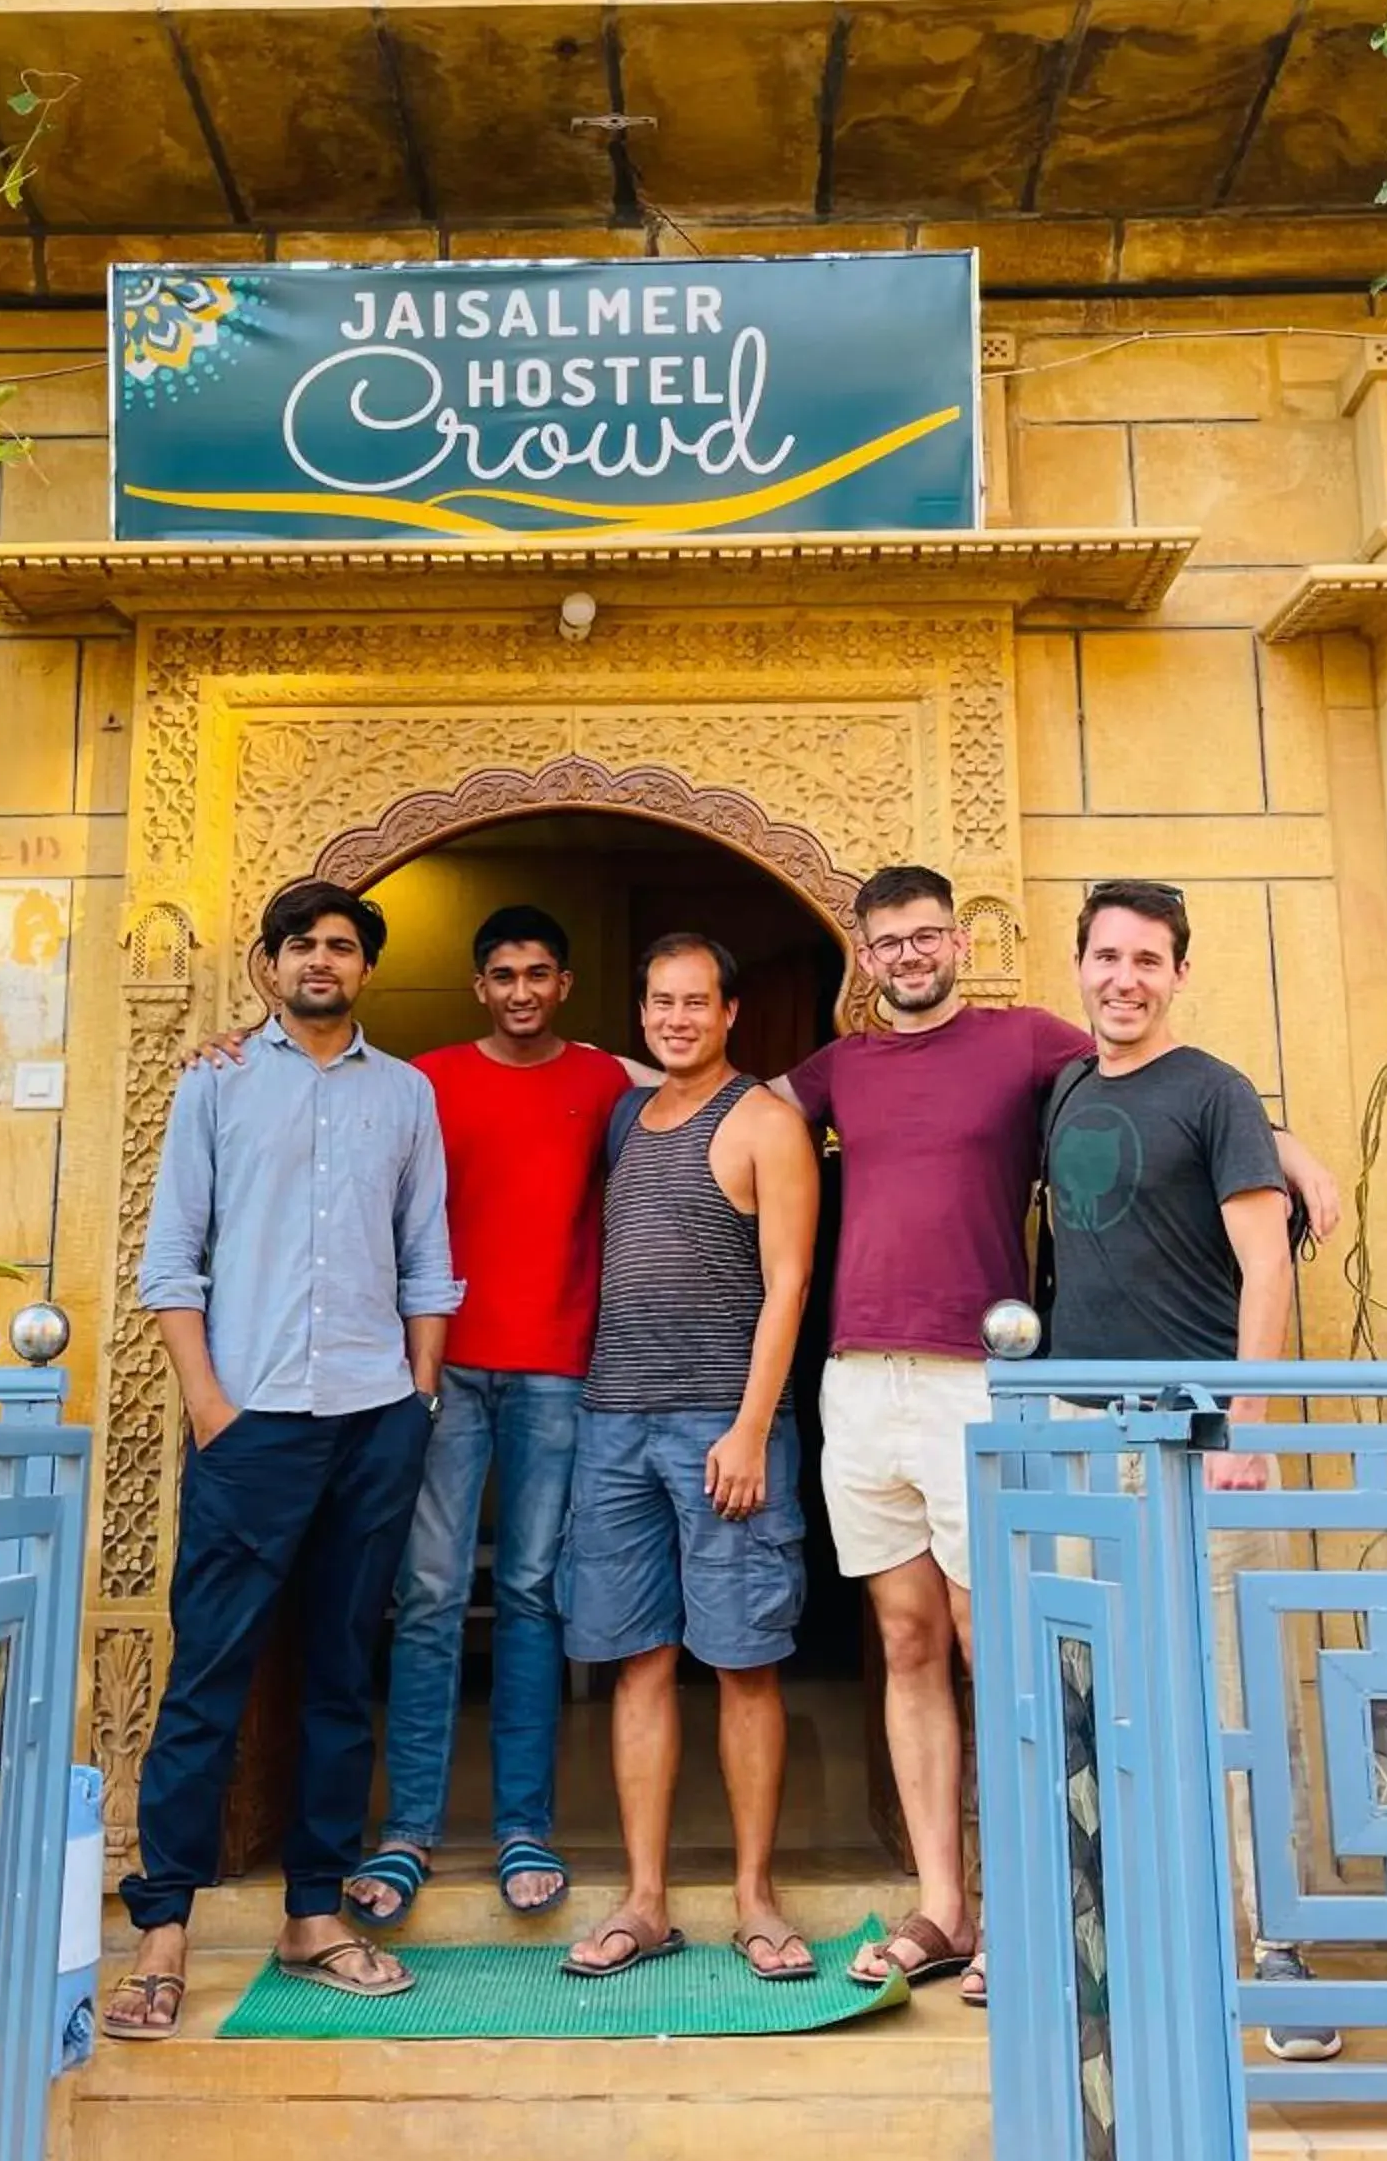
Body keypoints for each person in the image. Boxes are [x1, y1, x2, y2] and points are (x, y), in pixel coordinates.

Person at [776, 864, 1337, 2008]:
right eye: (889, 941)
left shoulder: (1032, 1046)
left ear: (963, 945)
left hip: (1021, 1398)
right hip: (983, 1403)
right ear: (864, 956)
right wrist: (611, 1078)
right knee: (935, 1644)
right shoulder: (849, 1070)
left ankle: (1233, 1948)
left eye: (929, 935)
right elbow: (732, 1105)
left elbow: (1184, 1099)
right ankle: (962, 1908)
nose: (910, 955)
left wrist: (1281, 1145)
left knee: (1066, 1659)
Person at [103, 879, 460, 2033]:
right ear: (267, 966)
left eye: (342, 946)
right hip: (250, 1421)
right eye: (301, 944)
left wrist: (417, 1394)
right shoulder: (214, 1082)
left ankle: (315, 1913)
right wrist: (212, 1406)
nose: (321, 960)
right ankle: (162, 1933)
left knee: (341, 1674)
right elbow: (171, 1259)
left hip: (373, 1418)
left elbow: (427, 1255)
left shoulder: (404, 1097)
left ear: (365, 969)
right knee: (209, 1676)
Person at [1045, 874, 1340, 2062]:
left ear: (1178, 973)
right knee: (1085, 1691)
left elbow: (1266, 1268)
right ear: (1080, 967)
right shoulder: (1063, 1086)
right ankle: (1115, 1948)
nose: (1124, 979)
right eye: (1106, 957)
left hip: (1201, 1441)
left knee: (1234, 1699)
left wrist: (1248, 1428)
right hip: (1081, 1431)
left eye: (1147, 961)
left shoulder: (1216, 1091)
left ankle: (1278, 1948)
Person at [344, 906, 637, 1932]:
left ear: (565, 985)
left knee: (530, 1593)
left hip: (559, 1366)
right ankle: (409, 1829)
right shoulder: (426, 1080)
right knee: (425, 1595)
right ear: (481, 987)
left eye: (539, 974)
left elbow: (707, 1088)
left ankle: (526, 1827)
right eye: (503, 974)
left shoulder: (604, 1081)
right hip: (444, 1368)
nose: (521, 990)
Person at [561, 932, 822, 1983]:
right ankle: (645, 1901)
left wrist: (754, 1426)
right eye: (659, 1001)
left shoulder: (766, 1123)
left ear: (731, 1015)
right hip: (613, 1421)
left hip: (724, 1427)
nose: (675, 1018)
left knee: (744, 1662)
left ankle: (755, 1900)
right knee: (639, 1662)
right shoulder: (629, 1113)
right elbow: (572, 1057)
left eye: (695, 1003)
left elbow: (790, 1282)